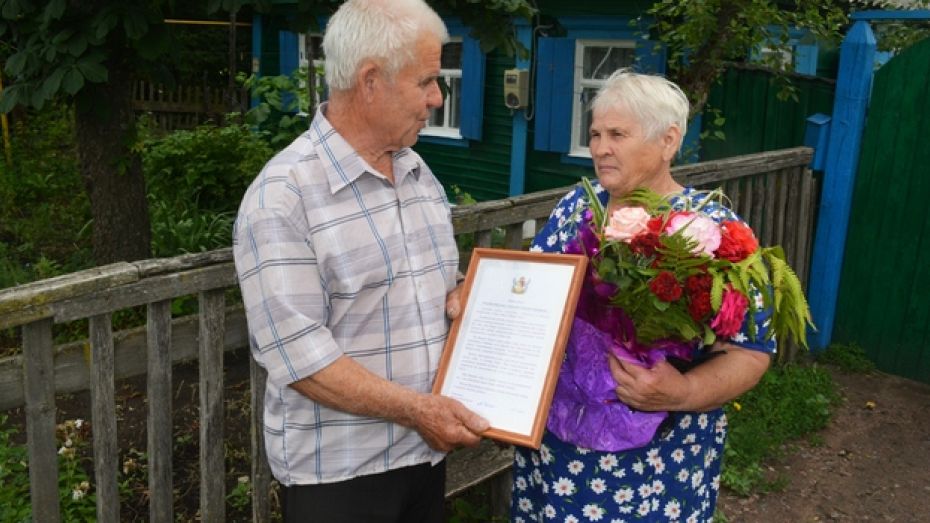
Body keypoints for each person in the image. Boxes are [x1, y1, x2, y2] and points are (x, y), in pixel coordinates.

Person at [232, 1, 489, 521]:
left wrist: (463, 294)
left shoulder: (418, 175)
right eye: (426, 82)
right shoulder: (284, 197)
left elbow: (430, 285)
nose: (438, 98)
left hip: (424, 457)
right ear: (370, 80)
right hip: (340, 478)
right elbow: (302, 361)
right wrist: (419, 411)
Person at [509, 69, 773, 522]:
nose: (599, 147)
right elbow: (530, 293)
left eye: (616, 134)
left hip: (659, 464)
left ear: (668, 140)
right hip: (557, 451)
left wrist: (685, 390)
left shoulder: (711, 230)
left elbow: (752, 352)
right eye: (594, 133)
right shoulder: (577, 208)